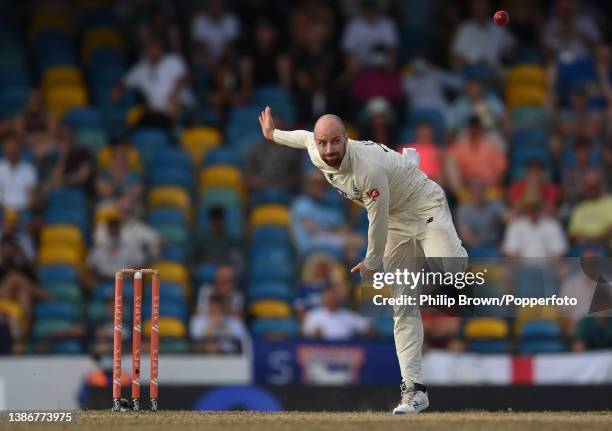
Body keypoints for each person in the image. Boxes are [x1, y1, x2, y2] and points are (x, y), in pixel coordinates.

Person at [259, 106, 468, 414]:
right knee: (403, 306)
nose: (329, 150)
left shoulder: (366, 169)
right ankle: (414, 390)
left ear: (346, 139)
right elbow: (303, 137)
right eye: (323, 143)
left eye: (335, 142)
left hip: (424, 206)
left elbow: (377, 222)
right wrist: (273, 134)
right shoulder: (316, 150)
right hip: (395, 219)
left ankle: (410, 170)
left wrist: (371, 262)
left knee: (452, 270)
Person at [302, 286, 371, 341]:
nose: (331, 300)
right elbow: (305, 337)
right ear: (324, 298)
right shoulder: (313, 315)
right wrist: (315, 336)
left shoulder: (349, 315)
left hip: (345, 353)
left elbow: (368, 329)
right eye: (328, 297)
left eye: (333, 297)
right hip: (320, 353)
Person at [0, 131, 38, 212]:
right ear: (4, 148)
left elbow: (32, 198)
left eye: (14, 147)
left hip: (23, 212)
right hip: (3, 212)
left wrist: (21, 210)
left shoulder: (28, 169)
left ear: (19, 148)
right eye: (9, 147)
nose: (12, 150)